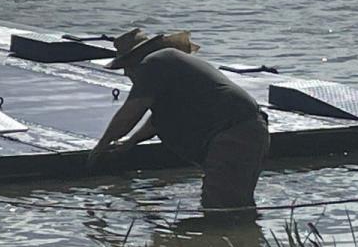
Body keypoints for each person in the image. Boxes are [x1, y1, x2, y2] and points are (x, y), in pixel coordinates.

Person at [90, 28, 269, 209]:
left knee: (221, 208)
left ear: (136, 59)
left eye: (126, 67)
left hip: (233, 135)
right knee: (233, 202)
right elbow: (156, 120)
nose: (126, 74)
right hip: (244, 131)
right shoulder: (169, 63)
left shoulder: (153, 64)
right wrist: (131, 142)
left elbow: (131, 112)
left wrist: (101, 146)